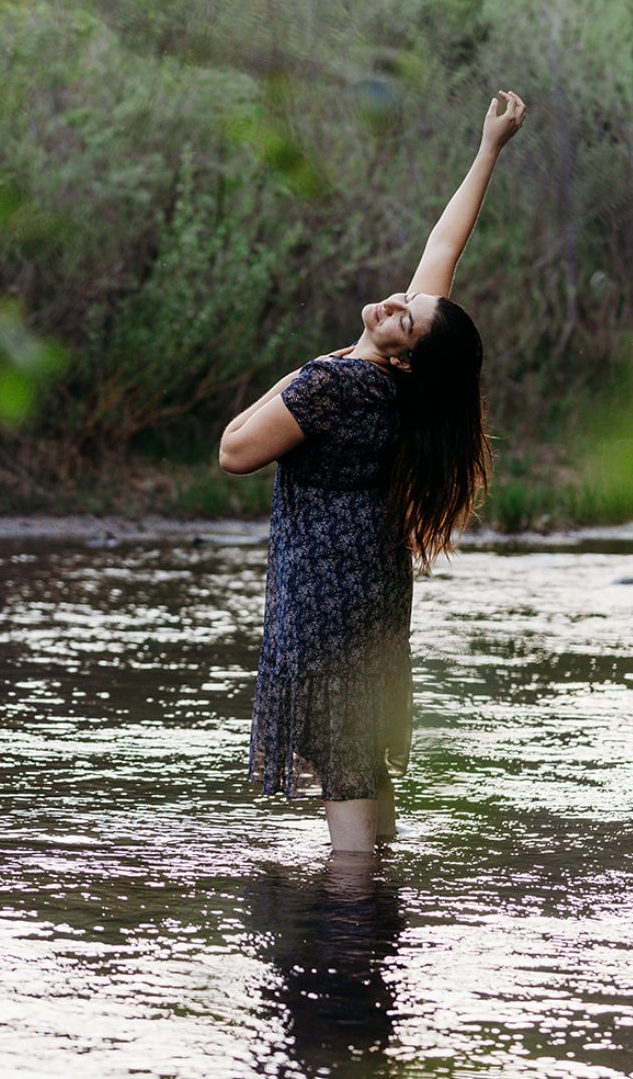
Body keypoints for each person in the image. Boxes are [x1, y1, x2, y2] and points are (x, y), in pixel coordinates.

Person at [219, 89, 527, 856]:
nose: (398, 300)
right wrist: (488, 148)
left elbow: (232, 450)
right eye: (409, 304)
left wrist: (319, 364)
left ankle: (353, 943)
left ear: (406, 351)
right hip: (374, 601)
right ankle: (377, 924)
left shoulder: (338, 384)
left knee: (346, 778)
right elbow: (443, 249)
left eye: (406, 317)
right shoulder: (403, 384)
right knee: (365, 769)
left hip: (326, 607)